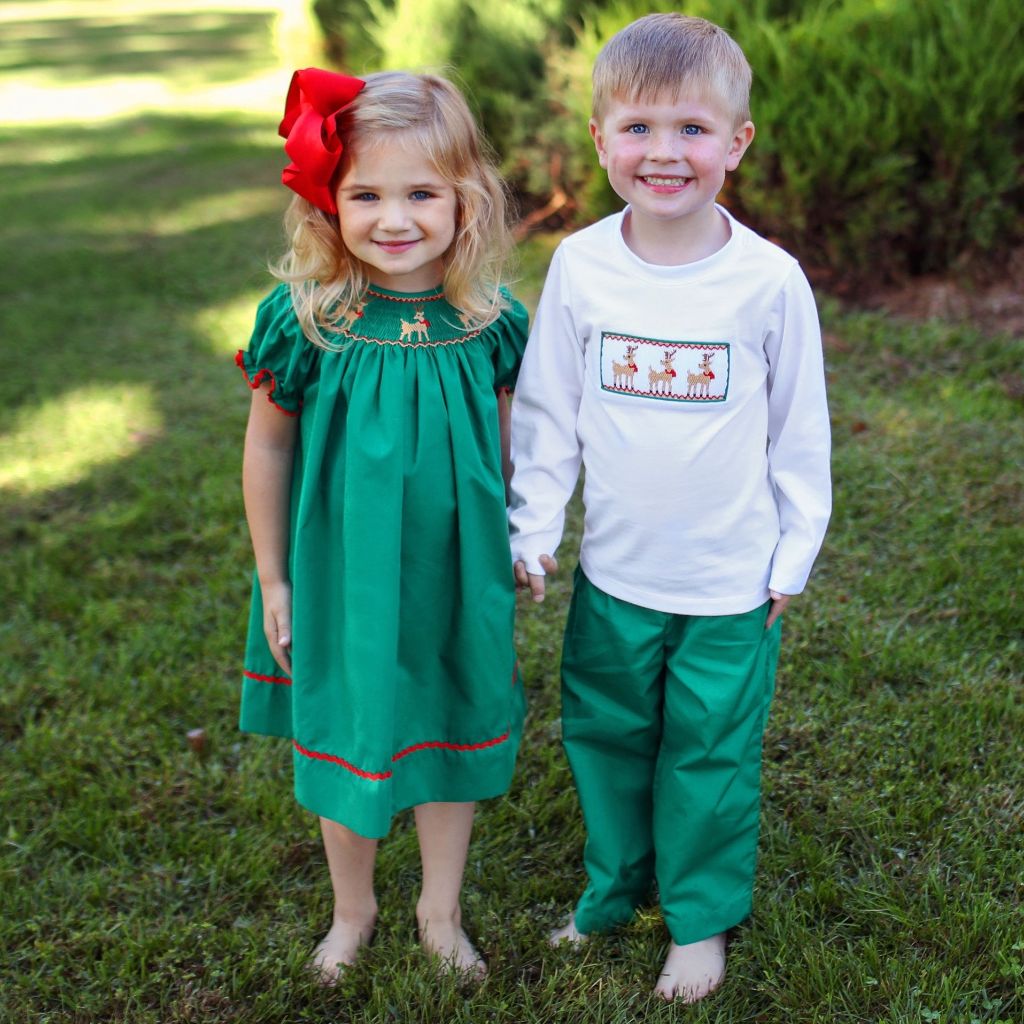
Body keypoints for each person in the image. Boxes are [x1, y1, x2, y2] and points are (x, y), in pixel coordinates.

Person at [508, 13, 831, 1004]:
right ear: (600, 138)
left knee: (707, 752)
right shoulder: (581, 266)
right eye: (638, 128)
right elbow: (548, 414)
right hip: (615, 574)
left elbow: (799, 432)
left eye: (692, 128)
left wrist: (792, 556)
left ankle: (696, 920)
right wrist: (533, 528)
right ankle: (613, 889)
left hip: (730, 585)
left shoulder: (767, 281)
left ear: (736, 142)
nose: (663, 152)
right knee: (606, 737)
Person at [236, 68, 528, 983]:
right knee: (353, 723)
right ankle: (352, 909)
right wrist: (274, 576)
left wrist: (521, 540)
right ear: (329, 200)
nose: (393, 219)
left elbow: (511, 450)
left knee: (448, 714)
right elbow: (268, 448)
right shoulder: (307, 318)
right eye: (366, 194)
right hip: (342, 568)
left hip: (455, 565)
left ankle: (440, 910)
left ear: (465, 197)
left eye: (420, 194)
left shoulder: (490, 322)